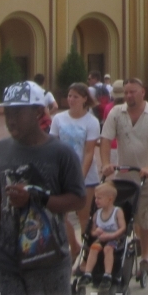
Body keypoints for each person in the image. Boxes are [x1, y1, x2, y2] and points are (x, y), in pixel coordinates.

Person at [0, 81, 87, 295]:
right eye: (7, 112)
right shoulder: (2, 149)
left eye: (17, 112)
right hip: (6, 260)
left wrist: (39, 198)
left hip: (49, 258)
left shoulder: (61, 153)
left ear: (37, 112)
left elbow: (78, 199)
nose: (10, 118)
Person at [100, 78, 148, 278]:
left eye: (133, 92)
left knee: (147, 216)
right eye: (126, 92)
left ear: (143, 93)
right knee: (125, 216)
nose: (129, 96)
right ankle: (129, 246)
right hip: (125, 175)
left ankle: (145, 258)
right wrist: (106, 163)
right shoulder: (116, 113)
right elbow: (105, 139)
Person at [49, 83, 102, 258]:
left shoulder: (91, 121)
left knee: (84, 215)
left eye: (75, 97)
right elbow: (53, 145)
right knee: (60, 215)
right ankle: (74, 246)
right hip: (62, 174)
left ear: (84, 99)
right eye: (69, 96)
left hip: (85, 176)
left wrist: (79, 176)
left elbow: (89, 151)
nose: (71, 100)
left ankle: (88, 254)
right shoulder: (59, 119)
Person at [77, 182, 127, 291]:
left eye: (99, 198)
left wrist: (112, 235)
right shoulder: (97, 214)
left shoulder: (117, 212)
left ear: (110, 199)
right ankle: (88, 273)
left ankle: (108, 275)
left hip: (114, 239)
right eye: (95, 198)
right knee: (93, 248)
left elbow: (122, 228)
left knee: (108, 249)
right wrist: (96, 232)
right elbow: (93, 231)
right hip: (101, 238)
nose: (96, 201)